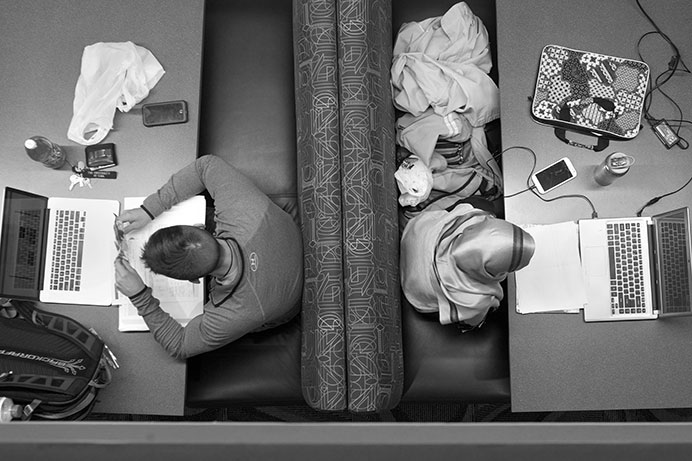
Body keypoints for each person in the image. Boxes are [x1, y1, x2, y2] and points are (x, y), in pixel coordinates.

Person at [114, 155, 303, 359]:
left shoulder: (236, 309)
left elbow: (180, 345)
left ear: (194, 280)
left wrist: (139, 296)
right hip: (282, 246)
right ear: (200, 227)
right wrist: (148, 209)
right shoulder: (241, 208)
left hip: (278, 307)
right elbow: (206, 165)